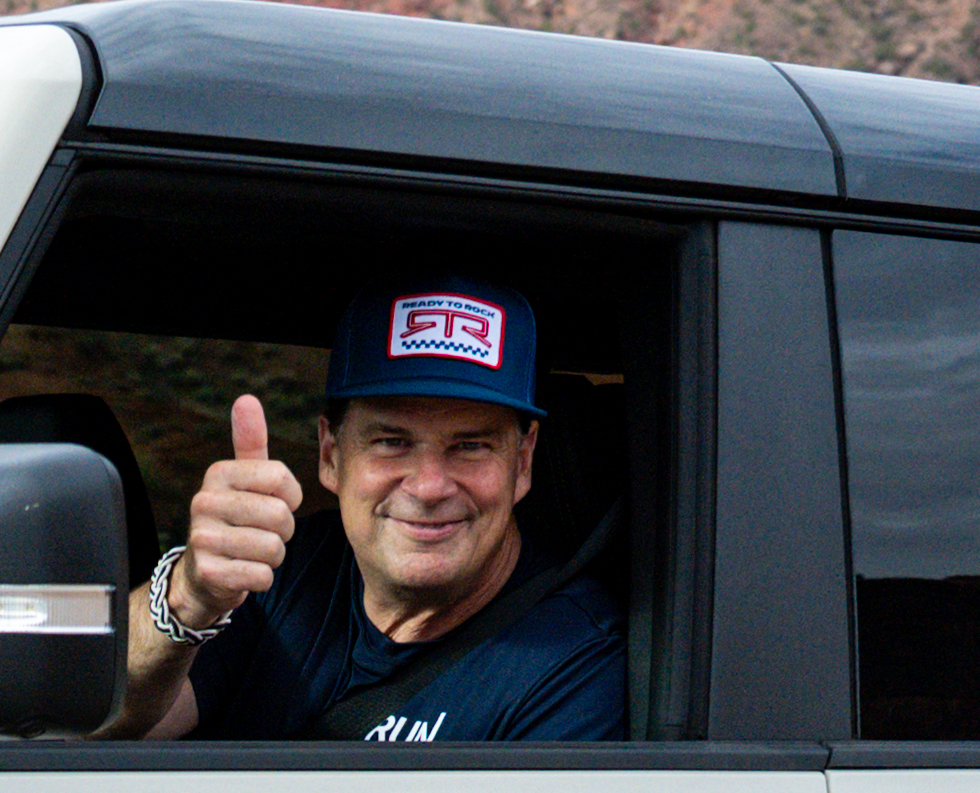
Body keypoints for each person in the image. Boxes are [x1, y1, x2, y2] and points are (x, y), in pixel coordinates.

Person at [99, 280, 620, 743]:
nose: (430, 485)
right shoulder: (279, 570)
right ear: (331, 455)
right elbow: (101, 726)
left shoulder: (573, 663)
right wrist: (189, 597)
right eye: (392, 441)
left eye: (471, 446)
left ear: (523, 462)